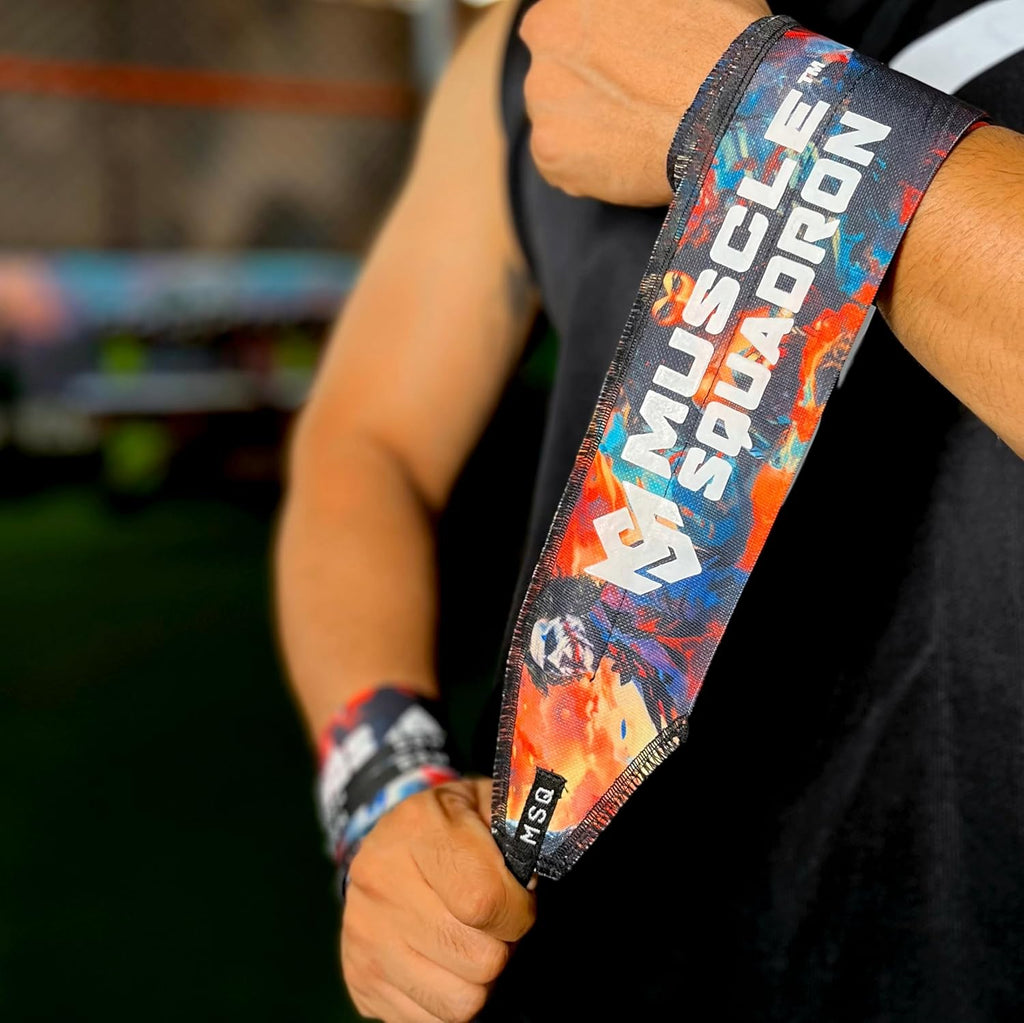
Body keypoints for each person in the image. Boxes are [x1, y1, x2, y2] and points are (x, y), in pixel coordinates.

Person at [275, 0, 1024, 1018]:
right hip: (591, 944)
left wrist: (761, 106)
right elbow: (367, 440)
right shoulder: (546, 38)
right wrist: (383, 783)